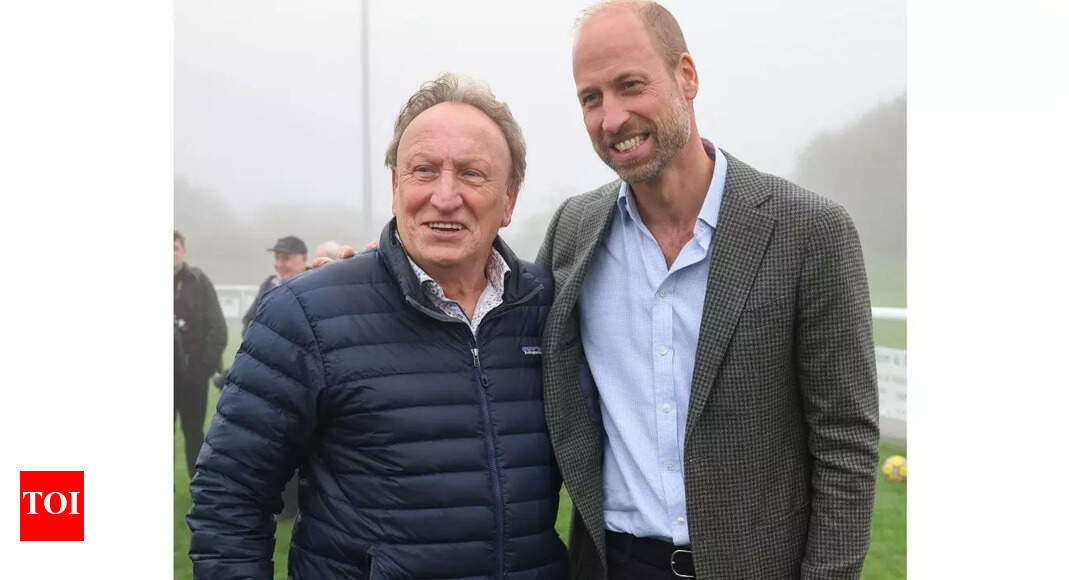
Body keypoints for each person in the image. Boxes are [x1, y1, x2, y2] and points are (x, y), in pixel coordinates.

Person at [535, 2, 880, 578]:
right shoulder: (573, 231)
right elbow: (490, 311)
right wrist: (361, 282)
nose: (611, 118)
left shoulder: (811, 231)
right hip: (611, 564)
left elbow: (846, 445)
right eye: (590, 98)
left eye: (630, 85)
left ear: (686, 76)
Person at [187, 73, 568, 579]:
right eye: (423, 170)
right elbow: (228, 496)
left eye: (473, 174)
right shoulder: (305, 313)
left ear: (510, 199)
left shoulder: (550, 308)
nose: (445, 196)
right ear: (395, 186)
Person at [173, 230, 227, 478]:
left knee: (194, 433)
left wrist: (200, 369)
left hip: (192, 375)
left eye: (174, 247)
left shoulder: (198, 281)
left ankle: (200, 489)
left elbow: (218, 329)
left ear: (183, 251)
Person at [240, 235, 309, 338]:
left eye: (286, 258)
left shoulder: (317, 287)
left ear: (304, 259)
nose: (279, 264)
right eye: (277, 258)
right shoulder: (268, 285)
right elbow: (249, 321)